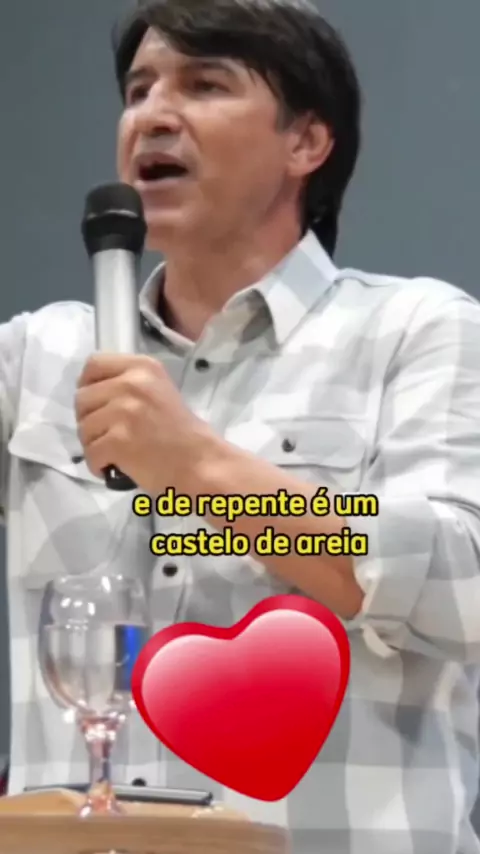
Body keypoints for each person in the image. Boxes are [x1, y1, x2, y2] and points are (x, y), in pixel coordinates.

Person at [2, 0, 480, 851]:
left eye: (205, 84)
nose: (153, 114)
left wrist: (200, 468)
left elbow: (461, 577)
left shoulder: (416, 331)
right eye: (139, 89)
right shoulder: (34, 358)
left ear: (307, 142)